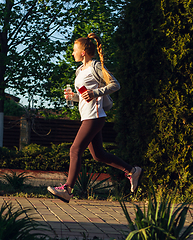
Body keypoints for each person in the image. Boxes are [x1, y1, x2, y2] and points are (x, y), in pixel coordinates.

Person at [47, 33, 143, 203]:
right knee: (98, 155)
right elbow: (84, 95)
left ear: (83, 52)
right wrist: (73, 97)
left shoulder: (96, 66)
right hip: (87, 115)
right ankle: (132, 170)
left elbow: (115, 84)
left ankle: (67, 189)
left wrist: (96, 92)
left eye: (74, 50)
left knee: (75, 150)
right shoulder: (79, 70)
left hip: (95, 115)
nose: (72, 53)